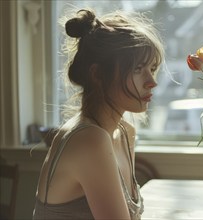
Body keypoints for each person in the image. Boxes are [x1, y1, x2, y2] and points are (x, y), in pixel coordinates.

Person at [33, 8, 164, 220]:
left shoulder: (124, 132)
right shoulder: (89, 139)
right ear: (98, 74)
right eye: (138, 69)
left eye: (153, 68)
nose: (152, 82)